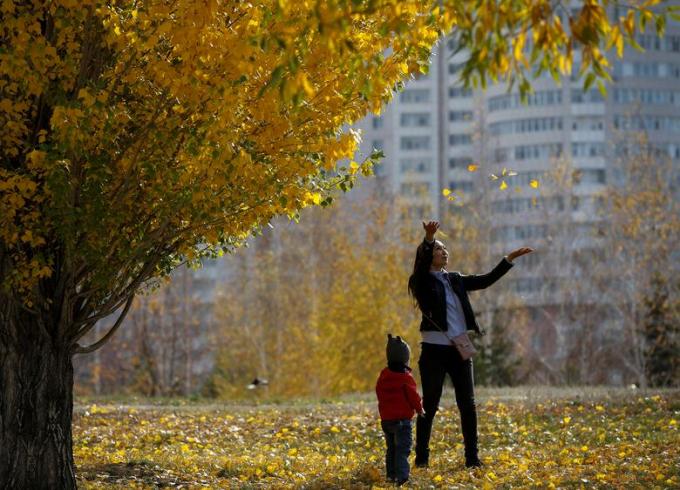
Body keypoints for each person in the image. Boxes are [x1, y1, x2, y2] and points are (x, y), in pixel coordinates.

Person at [409, 220, 533, 469]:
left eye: (444, 248)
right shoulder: (421, 281)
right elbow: (422, 265)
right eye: (437, 249)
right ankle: (422, 458)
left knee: (468, 404)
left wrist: (508, 259)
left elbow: (485, 280)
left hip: (459, 349)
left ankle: (472, 459)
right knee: (429, 405)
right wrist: (429, 238)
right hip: (433, 351)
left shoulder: (455, 279)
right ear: (427, 255)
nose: (443, 251)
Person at [376, 334, 425, 486]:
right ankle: (402, 478)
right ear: (405, 359)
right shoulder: (405, 378)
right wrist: (420, 409)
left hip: (387, 420)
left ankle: (390, 476)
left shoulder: (384, 376)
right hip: (402, 422)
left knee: (391, 449)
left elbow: (379, 392)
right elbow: (413, 397)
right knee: (402, 451)